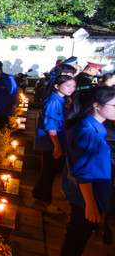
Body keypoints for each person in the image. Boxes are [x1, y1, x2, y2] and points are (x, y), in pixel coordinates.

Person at [55, 86, 114, 256]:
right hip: (85, 198)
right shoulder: (86, 131)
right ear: (96, 106)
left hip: (87, 195)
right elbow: (84, 172)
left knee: (76, 240)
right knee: (75, 242)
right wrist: (90, 204)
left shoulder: (92, 127)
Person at [32, 75, 75, 214]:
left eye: (73, 86)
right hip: (52, 141)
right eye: (68, 86)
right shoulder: (53, 100)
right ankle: (42, 201)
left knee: (50, 170)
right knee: (49, 171)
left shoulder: (61, 100)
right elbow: (50, 125)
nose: (71, 89)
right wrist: (57, 145)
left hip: (56, 140)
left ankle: (40, 196)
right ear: (57, 86)